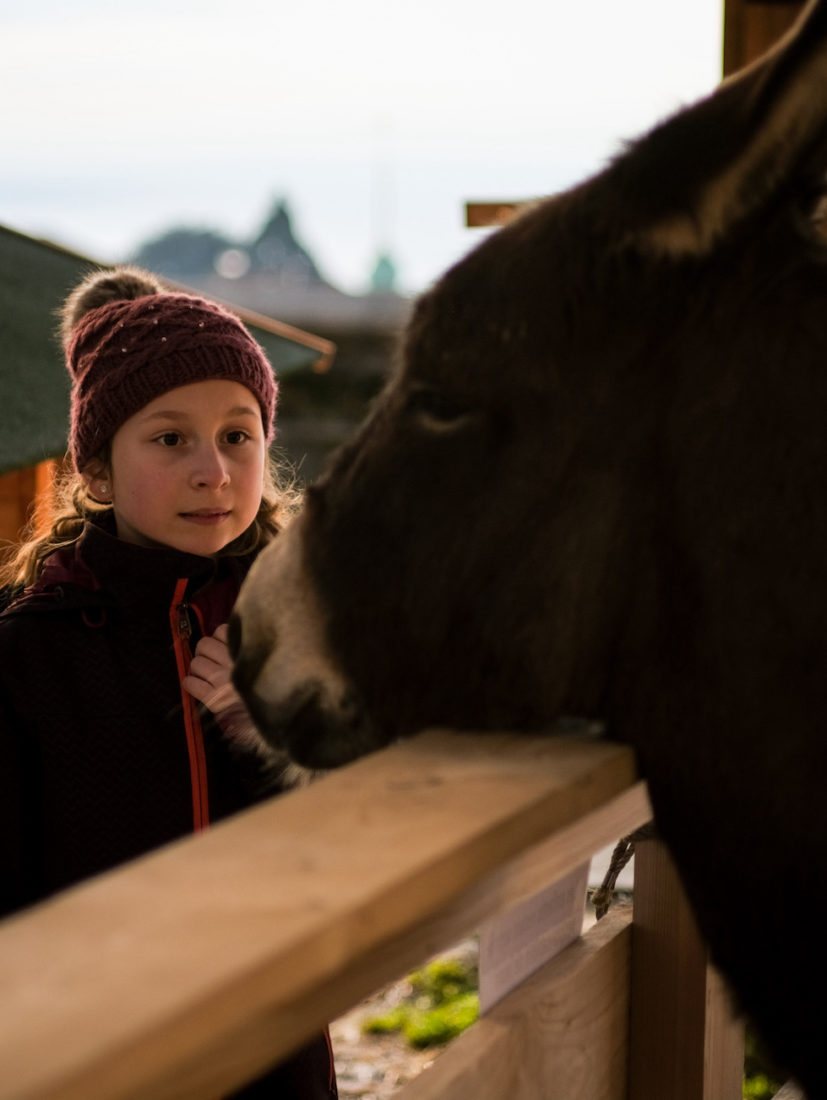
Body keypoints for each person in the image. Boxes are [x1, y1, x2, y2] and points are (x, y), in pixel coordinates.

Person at [0, 266, 337, 1099]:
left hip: (273, 1056)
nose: (213, 471)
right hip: (90, 1056)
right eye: (169, 438)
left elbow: (347, 865)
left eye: (237, 434)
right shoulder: (28, 653)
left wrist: (266, 740)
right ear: (99, 473)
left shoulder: (308, 634)